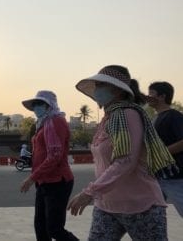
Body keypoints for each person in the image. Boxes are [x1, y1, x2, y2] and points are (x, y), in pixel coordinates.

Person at [68, 65, 176, 240]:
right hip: (106, 205)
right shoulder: (108, 119)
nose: (96, 90)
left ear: (117, 90)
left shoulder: (127, 115)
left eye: (101, 85)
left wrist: (89, 192)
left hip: (141, 206)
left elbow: (125, 162)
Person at [20, 90, 78, 241]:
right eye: (35, 104)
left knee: (54, 229)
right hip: (44, 182)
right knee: (41, 227)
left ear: (49, 105)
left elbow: (55, 156)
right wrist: (36, 178)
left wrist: (31, 178)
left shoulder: (56, 122)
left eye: (40, 103)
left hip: (58, 181)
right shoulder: (43, 123)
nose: (36, 107)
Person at [147, 81, 183, 217]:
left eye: (151, 94)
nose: (148, 97)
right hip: (158, 176)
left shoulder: (174, 116)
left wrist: (162, 153)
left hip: (175, 176)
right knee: (151, 213)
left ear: (162, 97)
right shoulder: (154, 118)